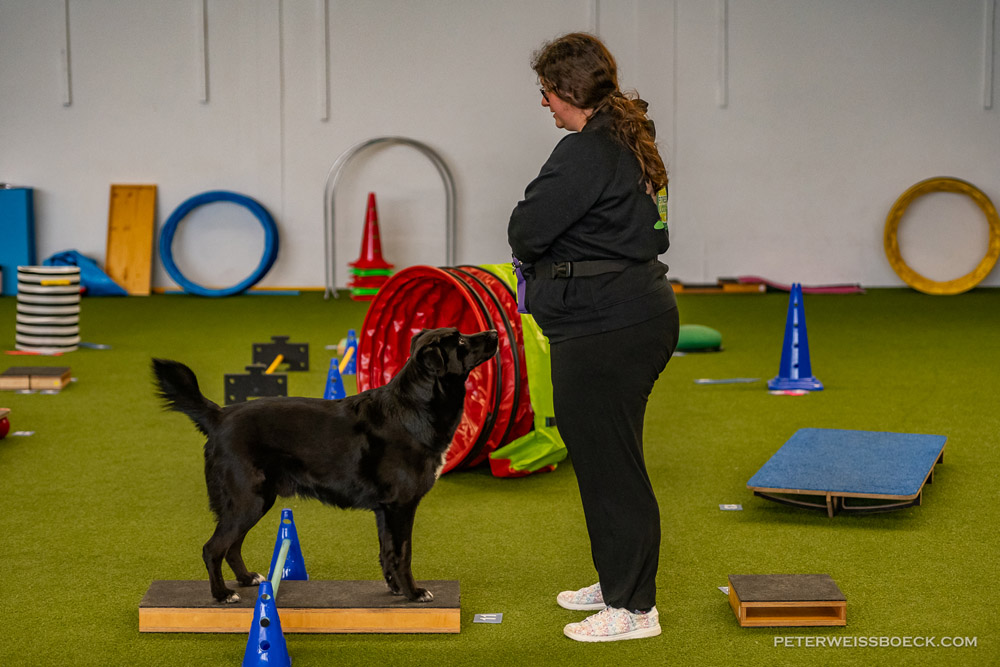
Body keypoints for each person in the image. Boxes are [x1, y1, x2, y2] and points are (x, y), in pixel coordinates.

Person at [507, 32, 679, 642]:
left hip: (607, 327)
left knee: (612, 468)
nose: (545, 103)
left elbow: (526, 230)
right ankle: (617, 582)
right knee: (608, 460)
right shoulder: (627, 136)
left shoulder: (585, 151)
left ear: (567, 90)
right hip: (628, 317)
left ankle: (633, 608)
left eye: (546, 91)